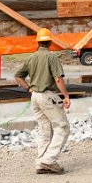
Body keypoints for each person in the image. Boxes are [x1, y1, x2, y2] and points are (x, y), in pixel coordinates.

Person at [14, 28, 70, 174]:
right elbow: (58, 79)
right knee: (62, 127)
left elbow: (18, 76)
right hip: (47, 96)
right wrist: (66, 96)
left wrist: (28, 88)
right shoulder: (51, 57)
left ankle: (41, 163)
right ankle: (49, 160)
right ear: (50, 41)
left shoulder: (31, 58)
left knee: (45, 130)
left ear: (38, 43)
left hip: (35, 97)